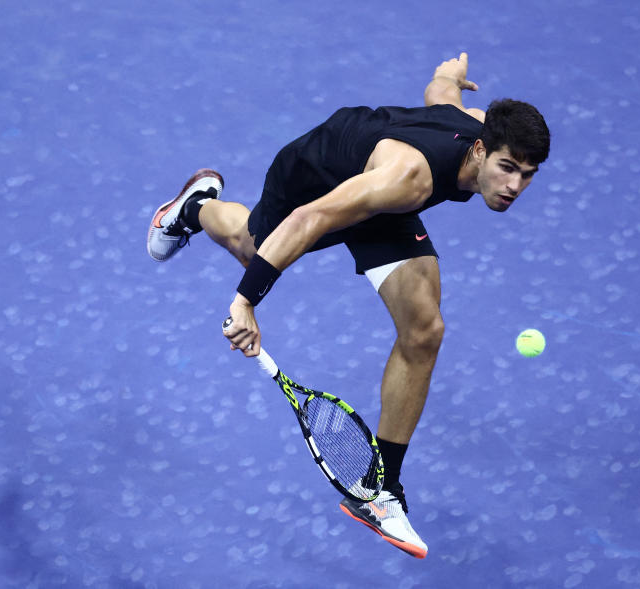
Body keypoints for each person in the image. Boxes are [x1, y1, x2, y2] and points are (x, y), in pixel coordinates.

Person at [146, 53, 549, 559]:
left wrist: (450, 74)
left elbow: (440, 95)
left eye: (527, 175)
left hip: (381, 197)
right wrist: (245, 301)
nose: (514, 186)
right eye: (507, 168)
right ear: (480, 150)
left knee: (424, 330)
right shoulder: (412, 178)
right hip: (317, 175)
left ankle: (379, 490)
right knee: (252, 248)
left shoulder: (475, 127)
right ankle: (196, 206)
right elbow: (312, 218)